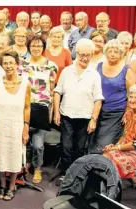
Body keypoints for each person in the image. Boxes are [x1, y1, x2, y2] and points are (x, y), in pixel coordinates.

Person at [53, 38, 104, 172]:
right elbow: (57, 92)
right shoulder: (67, 71)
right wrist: (56, 112)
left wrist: (93, 119)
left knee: (80, 149)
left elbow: (98, 99)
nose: (84, 58)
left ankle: (76, 176)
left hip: (85, 117)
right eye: (82, 55)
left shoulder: (94, 75)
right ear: (77, 53)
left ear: (92, 56)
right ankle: (65, 174)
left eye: (88, 55)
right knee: (66, 147)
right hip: (67, 115)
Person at [0, 51, 31, 201]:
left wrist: (26, 127)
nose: (8, 66)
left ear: (17, 64)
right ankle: (2, 184)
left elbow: (27, 107)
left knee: (14, 156)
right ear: (1, 65)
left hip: (17, 125)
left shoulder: (26, 83)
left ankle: (11, 186)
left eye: (11, 63)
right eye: (5, 63)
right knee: (0, 155)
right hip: (0, 124)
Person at [18, 36, 58, 184]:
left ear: (43, 47)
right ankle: (25, 164)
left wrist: (52, 111)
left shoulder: (51, 66)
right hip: (24, 106)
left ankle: (38, 168)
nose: (36, 48)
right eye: (33, 45)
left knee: (38, 144)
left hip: (42, 107)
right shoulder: (21, 65)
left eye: (39, 46)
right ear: (29, 47)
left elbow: (52, 90)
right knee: (24, 138)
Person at [89, 39, 135, 154]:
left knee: (103, 145)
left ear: (121, 54)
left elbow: (132, 94)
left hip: (115, 114)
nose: (113, 54)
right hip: (96, 111)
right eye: (110, 51)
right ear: (105, 52)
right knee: (89, 142)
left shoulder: (126, 70)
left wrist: (128, 112)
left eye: (116, 52)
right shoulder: (99, 66)